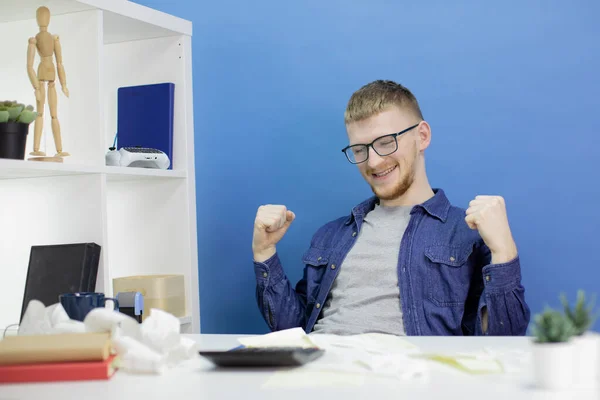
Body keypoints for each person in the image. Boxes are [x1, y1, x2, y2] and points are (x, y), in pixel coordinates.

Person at [252, 80, 530, 336]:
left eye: (386, 143)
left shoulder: (467, 232)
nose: (372, 162)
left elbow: (503, 341)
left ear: (422, 136)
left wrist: (504, 252)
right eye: (360, 149)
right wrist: (264, 253)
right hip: (323, 372)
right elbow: (293, 334)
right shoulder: (330, 235)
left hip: (406, 380)